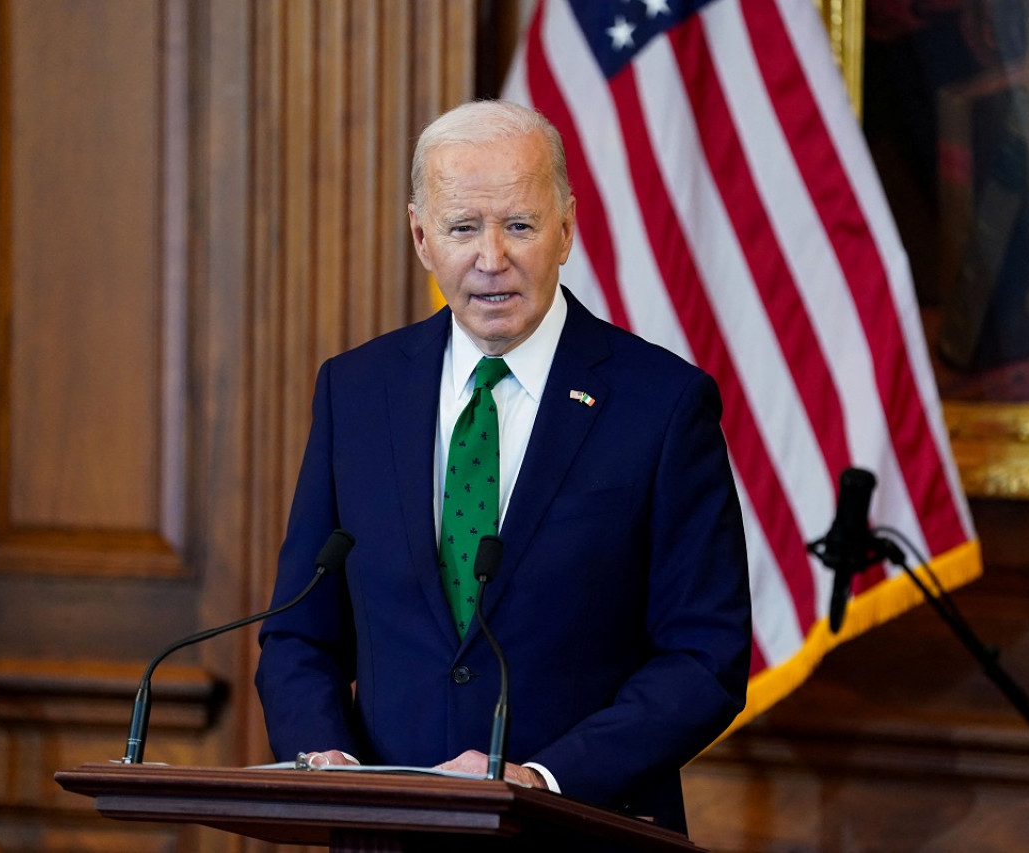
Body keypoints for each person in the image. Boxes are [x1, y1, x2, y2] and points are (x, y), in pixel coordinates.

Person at [254, 99, 751, 833]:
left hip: (581, 830)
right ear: (423, 237)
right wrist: (321, 755)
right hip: (389, 839)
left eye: (518, 225)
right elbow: (300, 632)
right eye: (463, 228)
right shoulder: (357, 392)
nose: (491, 259)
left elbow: (704, 655)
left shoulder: (663, 403)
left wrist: (544, 780)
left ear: (566, 228)